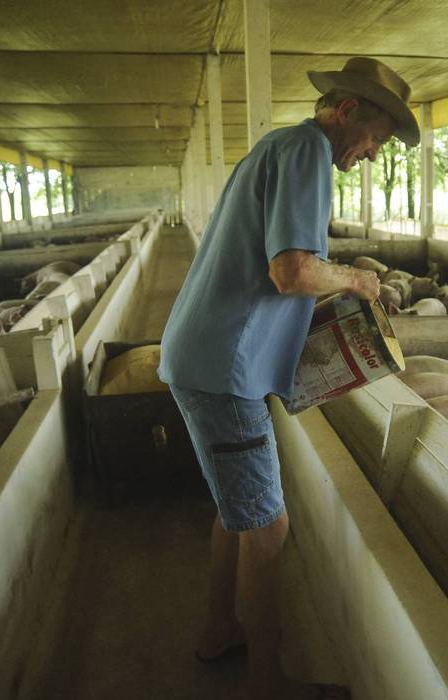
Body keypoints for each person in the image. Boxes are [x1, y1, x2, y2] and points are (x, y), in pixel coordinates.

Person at [158, 57, 419, 699]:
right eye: (377, 138)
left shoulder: (277, 146)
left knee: (236, 512)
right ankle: (267, 681)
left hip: (199, 357)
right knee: (269, 528)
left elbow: (282, 269)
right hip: (226, 369)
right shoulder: (307, 151)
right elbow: (292, 272)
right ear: (348, 111)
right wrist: (357, 280)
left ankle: (220, 630)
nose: (372, 153)